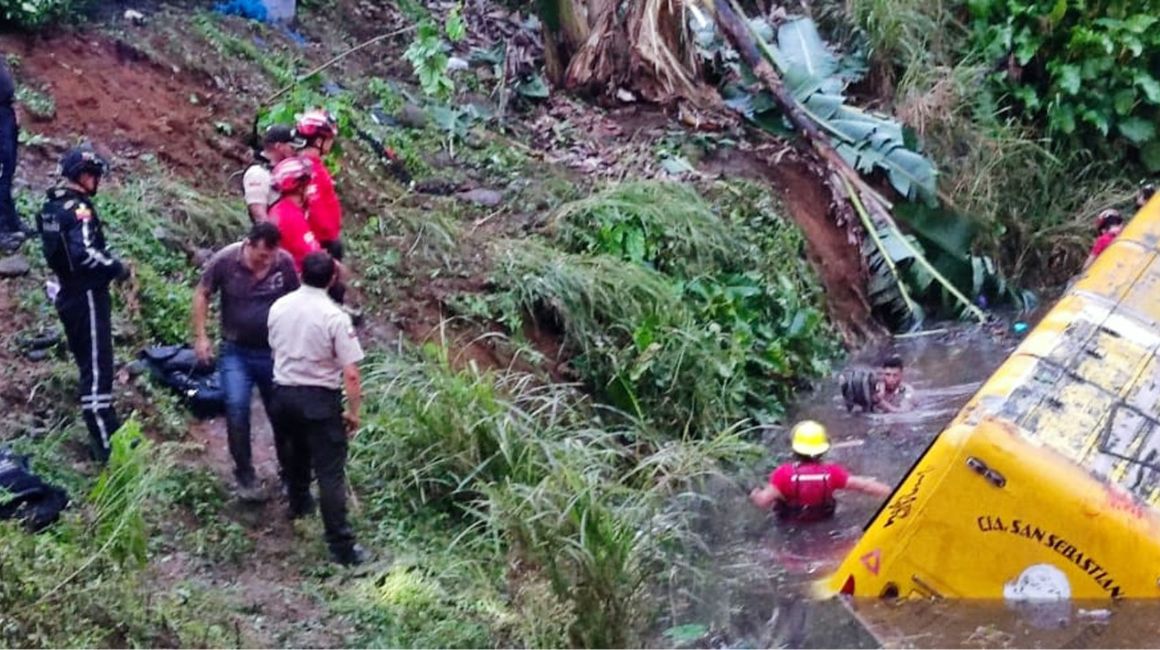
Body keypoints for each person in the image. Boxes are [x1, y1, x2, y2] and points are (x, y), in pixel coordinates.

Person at [267, 251, 368, 565]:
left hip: (282, 393)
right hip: (319, 398)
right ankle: (341, 546)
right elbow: (350, 373)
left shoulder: (279, 306)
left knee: (294, 456)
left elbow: (273, 347)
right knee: (329, 473)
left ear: (300, 274)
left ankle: (299, 506)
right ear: (332, 279)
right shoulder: (335, 317)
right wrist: (353, 412)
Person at [192, 221, 299, 500]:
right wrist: (201, 336)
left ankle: (289, 474)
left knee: (282, 413)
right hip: (236, 350)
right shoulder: (226, 260)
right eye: (261, 255)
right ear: (248, 244)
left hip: (274, 351)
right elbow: (203, 293)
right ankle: (245, 475)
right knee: (237, 407)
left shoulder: (284, 264)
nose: (266, 261)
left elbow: (298, 301)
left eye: (270, 256)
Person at [36, 146, 129, 462]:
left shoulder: (51, 207)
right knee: (97, 368)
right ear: (84, 176)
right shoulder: (79, 210)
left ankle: (107, 438)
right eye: (95, 175)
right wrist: (117, 267)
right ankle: (109, 449)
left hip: (67, 293)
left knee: (89, 365)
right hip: (86, 295)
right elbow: (85, 253)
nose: (98, 181)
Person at [749, 420, 890, 521]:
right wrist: (891, 494)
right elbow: (866, 486)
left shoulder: (783, 475)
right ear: (823, 449)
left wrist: (754, 492)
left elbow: (762, 501)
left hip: (789, 528)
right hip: (824, 521)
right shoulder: (832, 473)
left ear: (794, 448)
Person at [295, 110, 344, 260]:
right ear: (318, 141)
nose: (331, 143)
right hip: (319, 244)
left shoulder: (315, 167)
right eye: (329, 139)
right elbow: (314, 208)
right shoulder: (309, 171)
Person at [267, 156, 322, 272]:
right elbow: (313, 255)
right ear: (300, 188)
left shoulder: (280, 209)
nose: (312, 188)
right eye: (309, 183)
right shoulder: (291, 217)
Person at [242, 125, 303, 224]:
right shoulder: (257, 173)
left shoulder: (283, 170)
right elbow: (259, 215)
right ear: (279, 147)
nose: (295, 152)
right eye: (292, 147)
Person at [0, 58, 29, 252]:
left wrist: (13, 106)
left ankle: (12, 223)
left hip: (5, 115)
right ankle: (1, 232)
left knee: (7, 174)